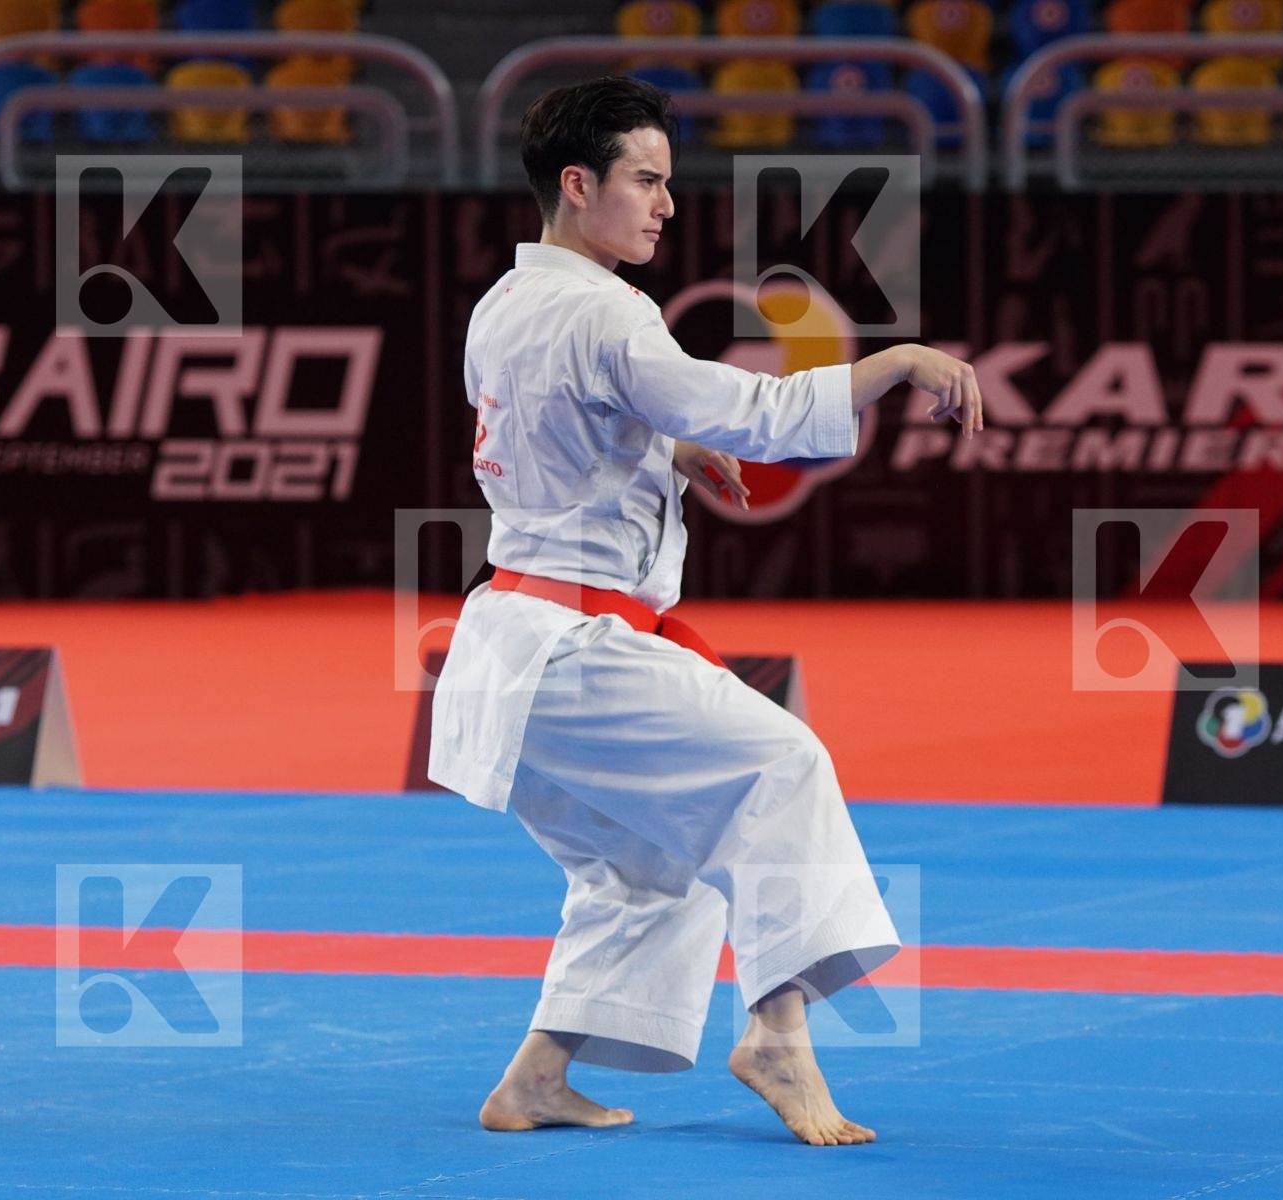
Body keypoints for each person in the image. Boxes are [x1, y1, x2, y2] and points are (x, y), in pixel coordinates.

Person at [426, 76, 983, 1148]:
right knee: (784, 765)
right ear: (578, 185)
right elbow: (761, 410)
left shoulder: (506, 303)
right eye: (647, 181)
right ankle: (778, 1034)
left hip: (509, 653)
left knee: (648, 869)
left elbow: (547, 427)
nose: (667, 205)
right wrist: (897, 361)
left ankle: (535, 1079)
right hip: (572, 648)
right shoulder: (605, 311)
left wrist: (664, 447)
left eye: (668, 183)